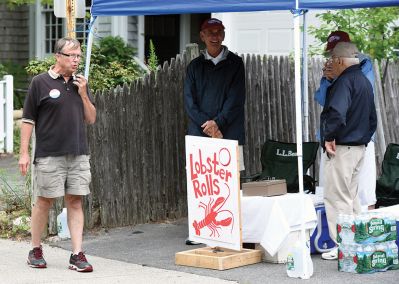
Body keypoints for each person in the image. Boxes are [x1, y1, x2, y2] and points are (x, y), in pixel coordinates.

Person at [19, 37, 96, 272]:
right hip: (49, 154)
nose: (76, 60)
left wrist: (83, 94)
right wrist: (23, 153)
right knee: (44, 201)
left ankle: (77, 254)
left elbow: (91, 118)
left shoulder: (80, 83)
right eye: (71, 55)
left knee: (75, 201)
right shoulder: (39, 83)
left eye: (78, 56)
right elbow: (28, 119)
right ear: (58, 56)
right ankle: (35, 249)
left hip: (78, 153)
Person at [183, 18, 246, 245]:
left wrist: (218, 123)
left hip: (229, 133)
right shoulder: (194, 67)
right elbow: (190, 103)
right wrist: (209, 127)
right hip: (200, 135)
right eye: (210, 32)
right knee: (201, 183)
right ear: (202, 36)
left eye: (219, 31)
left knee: (229, 182)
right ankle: (199, 230)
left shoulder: (236, 64)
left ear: (224, 34)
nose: (215, 36)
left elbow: (236, 100)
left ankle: (229, 231)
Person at [319, 42, 377, 260]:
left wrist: (329, 137)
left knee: (337, 197)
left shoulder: (344, 82)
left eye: (333, 60)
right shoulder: (363, 81)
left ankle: (343, 246)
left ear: (341, 61)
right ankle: (357, 241)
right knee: (351, 198)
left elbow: (336, 112)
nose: (331, 64)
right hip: (360, 146)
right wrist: (363, 139)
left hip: (342, 147)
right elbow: (373, 119)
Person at [315, 31, 377, 211]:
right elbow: (322, 99)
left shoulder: (363, 64)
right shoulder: (336, 74)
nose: (332, 58)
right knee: (349, 195)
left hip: (345, 140)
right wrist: (328, 81)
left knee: (351, 196)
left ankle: (344, 239)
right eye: (331, 53)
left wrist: (330, 136)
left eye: (335, 54)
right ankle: (355, 237)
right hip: (344, 139)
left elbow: (347, 103)